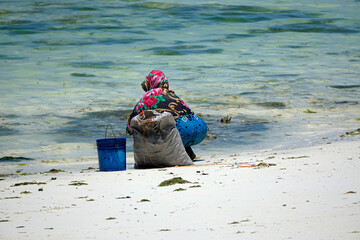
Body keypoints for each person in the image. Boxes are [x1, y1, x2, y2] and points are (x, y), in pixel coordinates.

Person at [126, 70, 207, 160]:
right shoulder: (171, 93)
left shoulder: (150, 94)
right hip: (200, 128)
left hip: (182, 131)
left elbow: (134, 117)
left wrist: (131, 131)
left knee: (161, 127)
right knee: (173, 121)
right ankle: (188, 152)